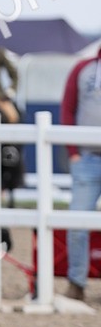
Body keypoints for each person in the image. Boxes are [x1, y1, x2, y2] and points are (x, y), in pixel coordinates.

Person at [60, 43, 101, 301]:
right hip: (86, 158)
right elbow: (67, 108)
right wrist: (73, 152)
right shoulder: (82, 69)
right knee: (77, 222)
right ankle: (76, 282)